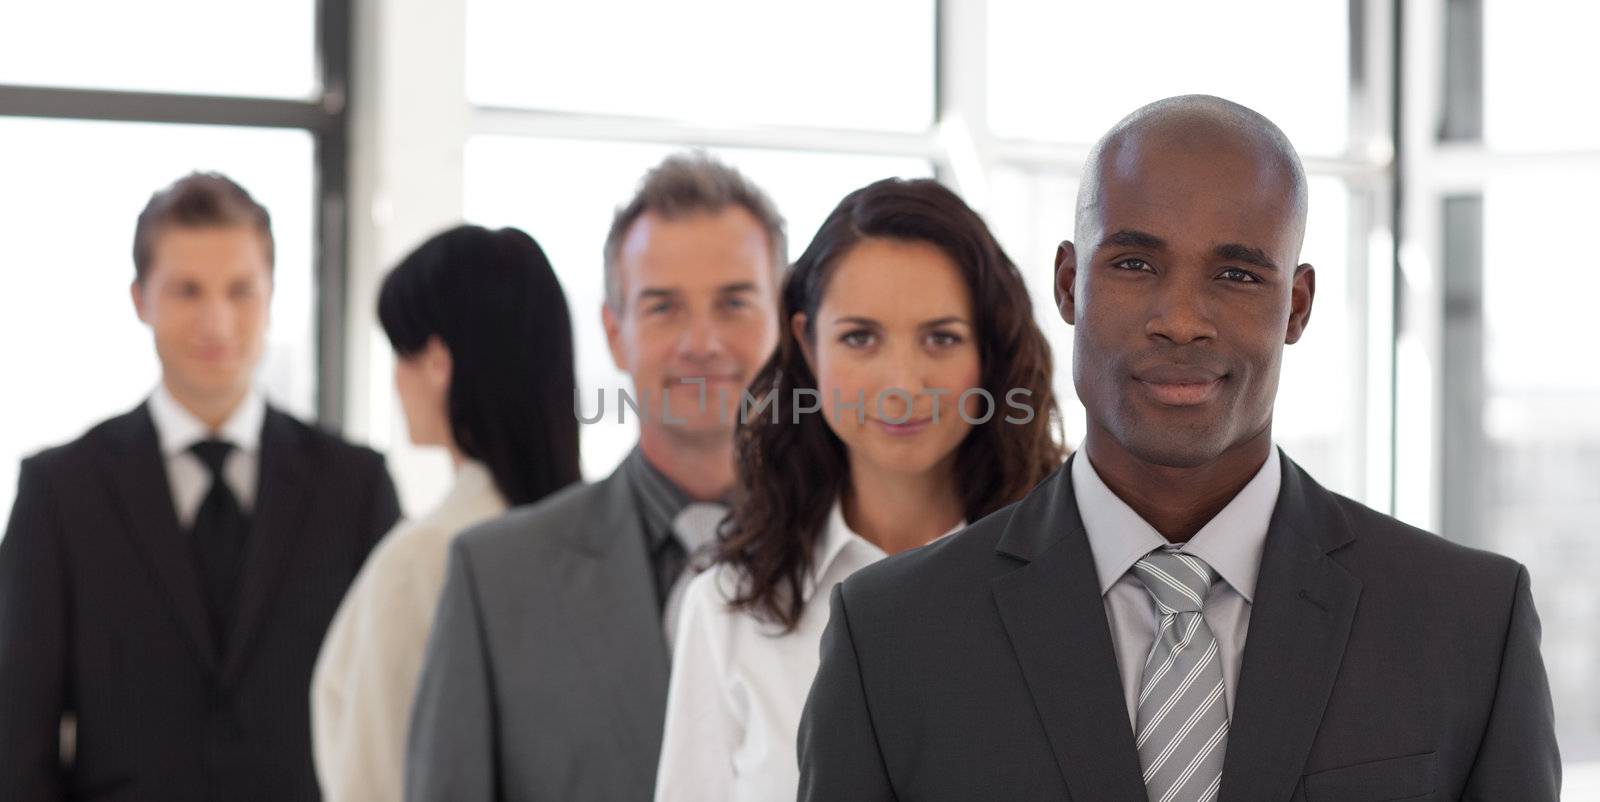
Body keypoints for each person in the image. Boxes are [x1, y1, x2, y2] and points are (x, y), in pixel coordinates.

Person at [797, 96, 1561, 801]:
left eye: (1235, 273)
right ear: (1069, 284)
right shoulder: (891, 637)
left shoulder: (1467, 624)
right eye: (1134, 264)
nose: (1183, 319)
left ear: (1295, 307)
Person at [654, 177, 1065, 801]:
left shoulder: (1073, 579)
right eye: (860, 338)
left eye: (941, 337)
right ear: (806, 345)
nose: (901, 381)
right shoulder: (727, 609)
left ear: (990, 352)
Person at [0, 172, 402, 801]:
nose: (217, 322)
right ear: (140, 299)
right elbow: (16, 745)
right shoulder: (60, 494)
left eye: (241, 290)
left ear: (271, 297)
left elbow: (393, 714)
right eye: (187, 291)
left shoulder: (355, 490)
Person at [405, 152, 784, 801]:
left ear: (786, 326)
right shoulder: (495, 578)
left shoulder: (862, 568)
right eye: (664, 307)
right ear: (615, 334)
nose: (702, 341)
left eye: (734, 303)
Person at [310, 225, 582, 802]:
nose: (394, 380)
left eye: (400, 353)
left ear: (438, 361)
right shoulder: (599, 549)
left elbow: (373, 785)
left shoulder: (430, 558)